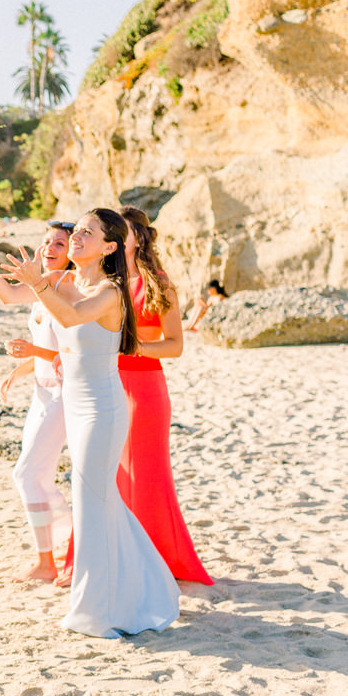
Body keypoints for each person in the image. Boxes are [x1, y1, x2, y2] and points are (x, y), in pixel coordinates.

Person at [0, 208, 180, 638]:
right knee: (102, 503)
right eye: (75, 230)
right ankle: (149, 589)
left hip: (102, 408)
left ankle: (94, 613)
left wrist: (38, 282)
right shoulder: (72, 283)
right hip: (75, 405)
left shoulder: (111, 291)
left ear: (110, 247)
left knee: (91, 501)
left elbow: (72, 318)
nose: (76, 237)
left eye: (87, 233)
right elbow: (49, 323)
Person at [0, 221, 75, 582]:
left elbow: (75, 350)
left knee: (27, 474)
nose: (50, 247)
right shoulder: (44, 285)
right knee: (36, 475)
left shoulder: (65, 285)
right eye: (47, 240)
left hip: (63, 394)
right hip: (42, 391)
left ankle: (48, 559)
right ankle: (65, 546)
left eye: (60, 242)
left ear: (72, 252)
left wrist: (32, 351)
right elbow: (7, 295)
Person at [116, 206, 212, 583]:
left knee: (149, 477)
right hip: (105, 386)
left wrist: (131, 345)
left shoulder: (158, 283)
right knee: (111, 476)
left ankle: (154, 560)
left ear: (136, 238)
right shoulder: (103, 280)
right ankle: (116, 556)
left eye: (118, 231)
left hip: (144, 389)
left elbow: (174, 346)